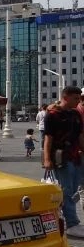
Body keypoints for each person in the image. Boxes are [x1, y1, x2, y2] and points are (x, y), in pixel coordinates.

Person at [43, 87, 84, 238]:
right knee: (67, 189)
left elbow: (80, 136)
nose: (78, 101)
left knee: (73, 190)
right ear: (65, 97)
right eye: (75, 98)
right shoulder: (53, 114)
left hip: (75, 157)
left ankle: (68, 220)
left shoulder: (75, 114)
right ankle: (72, 223)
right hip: (61, 157)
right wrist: (47, 159)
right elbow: (48, 139)